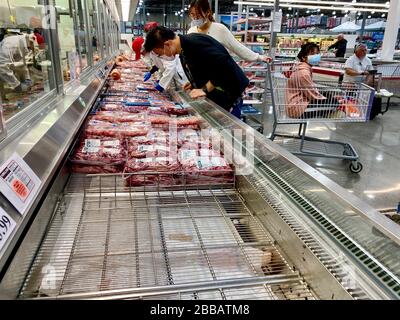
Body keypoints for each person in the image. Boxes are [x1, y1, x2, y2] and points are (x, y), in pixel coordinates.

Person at [144, 26, 249, 118]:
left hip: (230, 96)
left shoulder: (194, 43)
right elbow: (207, 66)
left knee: (228, 134)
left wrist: (204, 89)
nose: (162, 57)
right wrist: (194, 82)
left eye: (160, 54)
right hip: (219, 97)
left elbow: (225, 66)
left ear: (167, 44)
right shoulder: (183, 48)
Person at [187, 0, 271, 63]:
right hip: (199, 76)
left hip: (217, 77)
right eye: (192, 15)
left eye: (198, 15)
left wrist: (259, 57)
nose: (195, 18)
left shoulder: (219, 29)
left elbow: (237, 47)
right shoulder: (191, 32)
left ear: (208, 12)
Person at [286, 43, 339, 118]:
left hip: (297, 104)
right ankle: (334, 112)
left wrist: (325, 96)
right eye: (312, 54)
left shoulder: (302, 69)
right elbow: (312, 95)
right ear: (304, 58)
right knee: (333, 102)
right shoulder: (304, 73)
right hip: (298, 109)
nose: (316, 56)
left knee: (327, 95)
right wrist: (331, 100)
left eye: (317, 53)